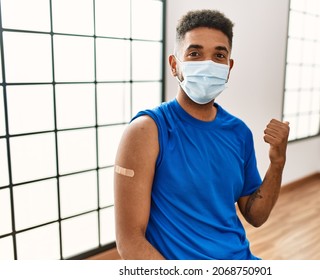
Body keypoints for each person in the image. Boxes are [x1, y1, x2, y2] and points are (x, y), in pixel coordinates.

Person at [114, 9, 289, 260]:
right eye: (195, 53)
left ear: (229, 67)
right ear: (175, 65)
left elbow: (256, 216)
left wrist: (278, 162)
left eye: (219, 55)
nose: (208, 64)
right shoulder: (146, 131)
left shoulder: (239, 132)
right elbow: (129, 241)